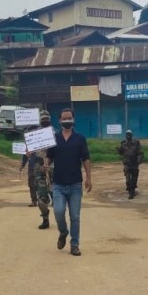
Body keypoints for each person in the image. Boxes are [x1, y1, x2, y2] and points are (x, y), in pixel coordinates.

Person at [45, 108, 91, 256]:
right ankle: (63, 232)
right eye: (64, 118)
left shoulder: (80, 138)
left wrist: (88, 177)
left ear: (73, 119)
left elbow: (86, 158)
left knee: (75, 217)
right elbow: (49, 156)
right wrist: (46, 163)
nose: (67, 121)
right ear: (59, 121)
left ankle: (74, 244)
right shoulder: (54, 139)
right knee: (58, 212)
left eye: (69, 118)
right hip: (58, 184)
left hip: (75, 184)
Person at [21, 110, 55, 229]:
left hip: (53, 169)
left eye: (47, 119)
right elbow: (28, 151)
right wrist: (27, 155)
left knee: (56, 196)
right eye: (43, 119)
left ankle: (60, 218)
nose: (45, 121)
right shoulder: (35, 135)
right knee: (41, 197)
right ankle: (45, 218)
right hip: (39, 168)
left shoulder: (56, 134)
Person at [117, 129, 144, 199]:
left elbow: (140, 153)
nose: (128, 136)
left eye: (129, 134)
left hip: (134, 163)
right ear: (125, 135)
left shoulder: (136, 143)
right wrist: (118, 150)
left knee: (134, 178)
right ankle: (130, 191)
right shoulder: (123, 143)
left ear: (131, 135)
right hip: (127, 163)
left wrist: (139, 160)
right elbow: (121, 152)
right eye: (127, 134)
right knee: (128, 178)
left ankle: (133, 190)